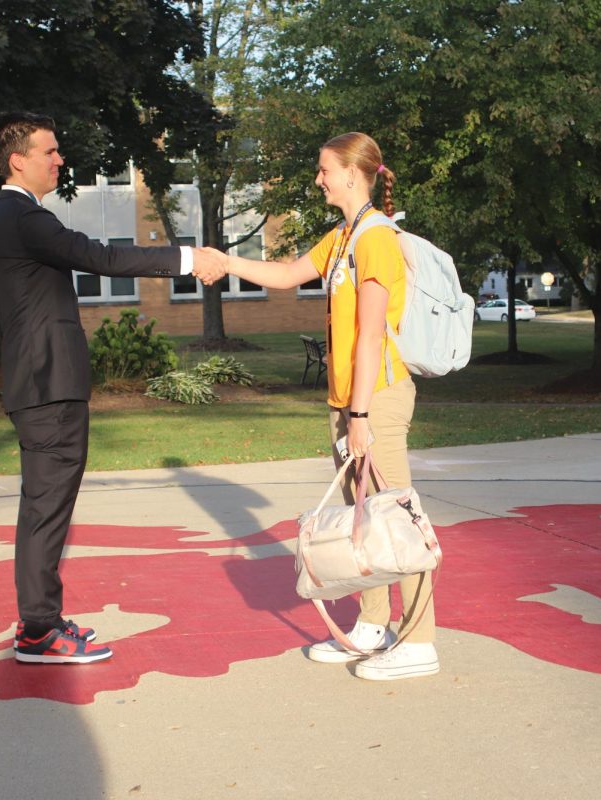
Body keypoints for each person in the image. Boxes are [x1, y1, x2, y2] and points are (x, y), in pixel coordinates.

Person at [0, 111, 226, 665]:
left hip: (45, 385)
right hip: (47, 389)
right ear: (19, 159)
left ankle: (40, 622)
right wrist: (189, 258)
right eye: (50, 150)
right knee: (46, 510)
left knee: (47, 508)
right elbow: (100, 257)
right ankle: (39, 631)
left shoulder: (13, 216)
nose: (59, 159)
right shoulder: (21, 215)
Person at [223, 131, 437, 681]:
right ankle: (372, 624)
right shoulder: (342, 237)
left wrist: (361, 416)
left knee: (396, 519)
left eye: (323, 169)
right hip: (349, 401)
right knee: (361, 519)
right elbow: (288, 275)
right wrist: (225, 260)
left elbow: (370, 335)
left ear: (351, 173)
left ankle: (419, 642)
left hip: (378, 399)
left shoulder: (375, 239)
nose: (317, 178)